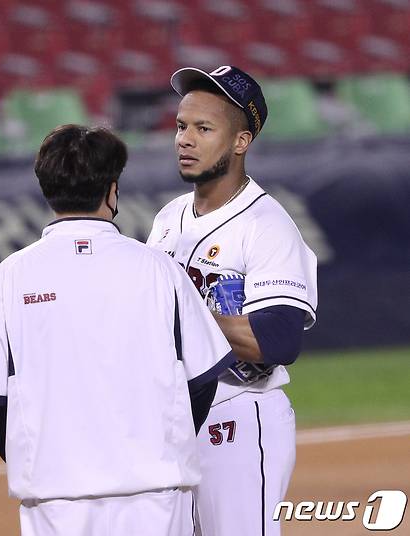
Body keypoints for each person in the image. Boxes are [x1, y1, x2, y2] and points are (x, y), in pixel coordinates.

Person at [0, 124, 236, 536]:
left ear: (47, 190)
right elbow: (202, 381)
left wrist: (35, 456)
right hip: (156, 495)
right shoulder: (160, 269)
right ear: (112, 190)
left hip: (55, 498)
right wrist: (163, 441)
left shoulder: (12, 274)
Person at [147, 65, 318, 536]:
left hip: (239, 414)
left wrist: (184, 311)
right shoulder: (168, 217)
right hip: (176, 418)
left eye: (204, 129)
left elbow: (277, 340)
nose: (185, 139)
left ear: (241, 141)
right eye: (182, 126)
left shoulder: (267, 225)